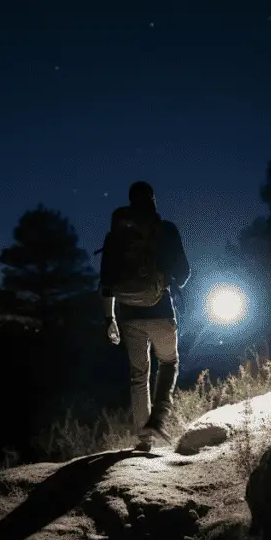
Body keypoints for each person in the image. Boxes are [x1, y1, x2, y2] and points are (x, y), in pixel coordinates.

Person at [98, 180, 191, 451]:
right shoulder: (166, 230)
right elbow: (183, 274)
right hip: (161, 310)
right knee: (169, 362)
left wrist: (109, 319)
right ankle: (158, 418)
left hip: (128, 316)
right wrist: (170, 279)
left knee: (139, 375)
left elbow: (105, 283)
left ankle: (144, 440)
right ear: (153, 200)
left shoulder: (115, 235)